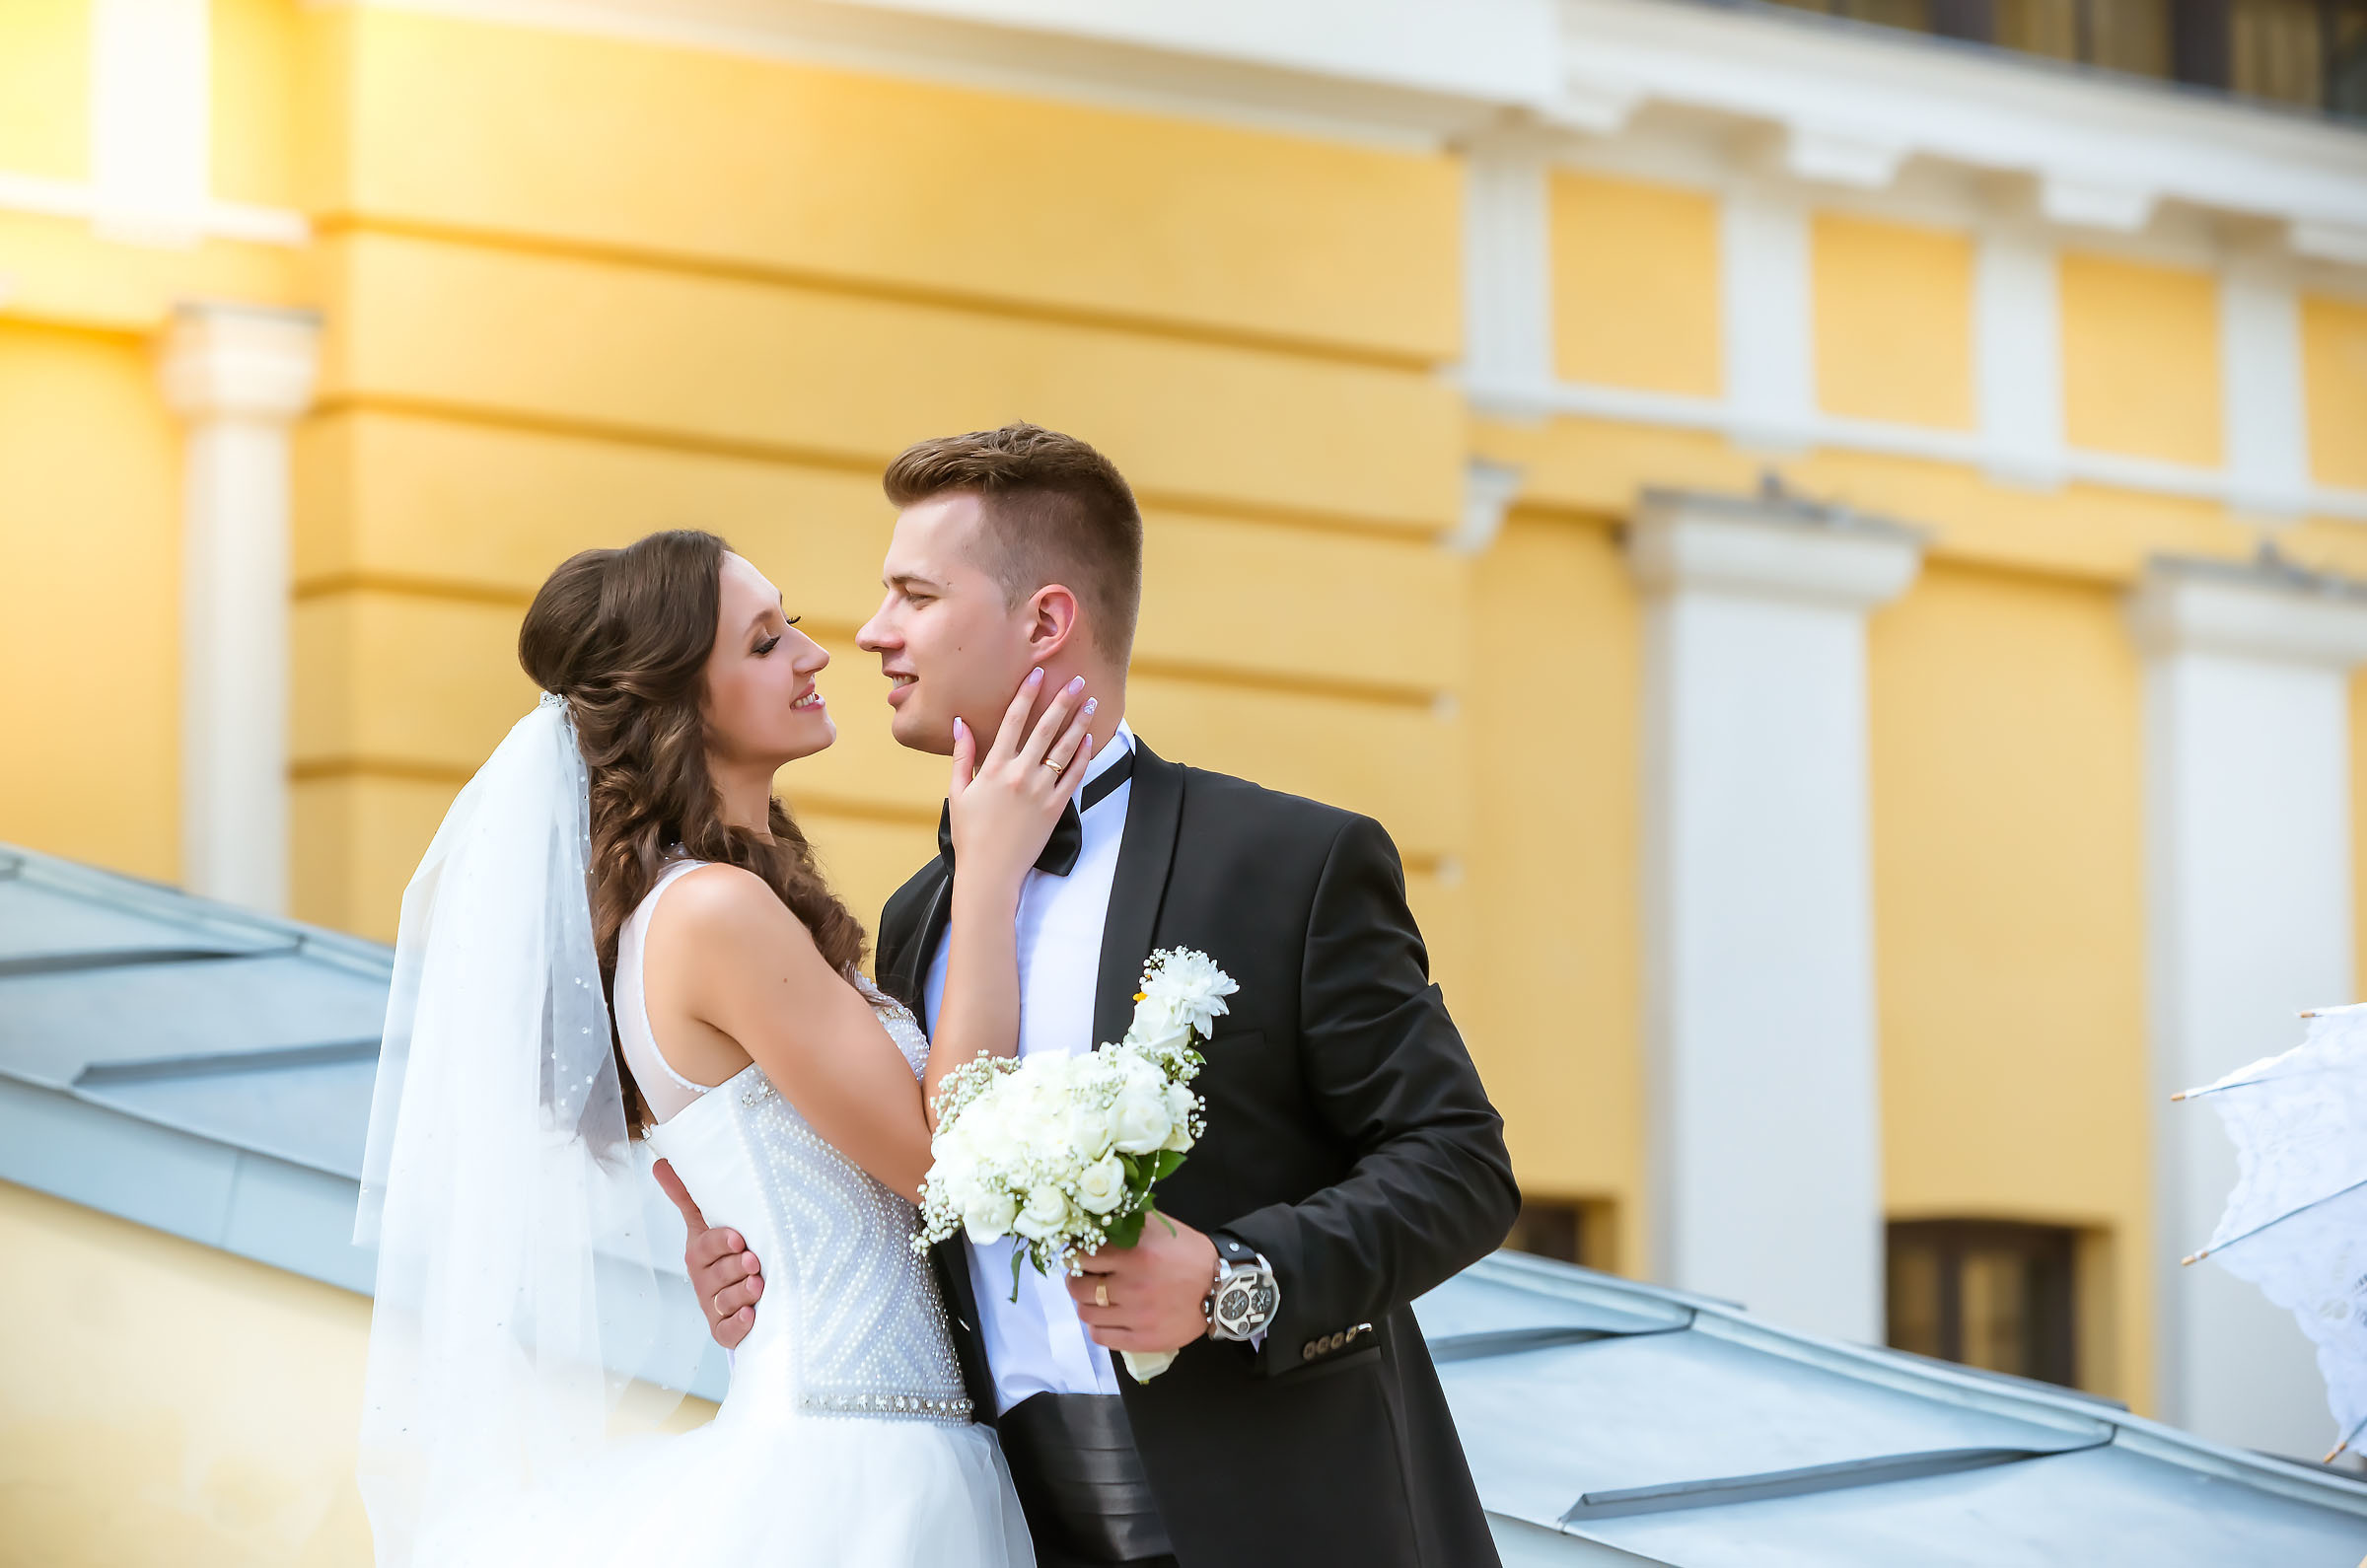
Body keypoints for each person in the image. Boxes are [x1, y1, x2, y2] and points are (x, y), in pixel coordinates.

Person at [672, 425, 1520, 1568]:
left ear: (1046, 622)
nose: (872, 633)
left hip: (1292, 1517)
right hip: (1012, 1521)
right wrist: (765, 1271)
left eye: (914, 595)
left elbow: (1461, 1166)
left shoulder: (1292, 863)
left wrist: (1233, 1281)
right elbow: (931, 1190)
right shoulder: (924, 918)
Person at [354, 528, 1097, 1566]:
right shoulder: (714, 913)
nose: (813, 653)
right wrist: (990, 869)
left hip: (884, 1439)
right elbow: (945, 1163)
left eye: (786, 621)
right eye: (762, 642)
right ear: (676, 708)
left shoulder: (721, 905)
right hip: (852, 1465)